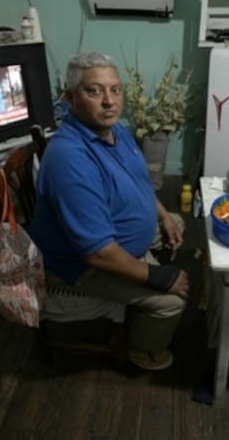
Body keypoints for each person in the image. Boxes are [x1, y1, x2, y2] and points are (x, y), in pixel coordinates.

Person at [30, 52, 189, 371]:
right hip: (82, 267)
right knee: (172, 302)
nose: (109, 101)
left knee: (180, 221)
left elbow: (140, 181)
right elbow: (98, 254)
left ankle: (146, 269)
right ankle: (143, 351)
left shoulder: (119, 131)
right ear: (71, 97)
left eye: (115, 90)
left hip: (117, 240)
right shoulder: (70, 159)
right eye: (94, 91)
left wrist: (162, 214)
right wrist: (158, 276)